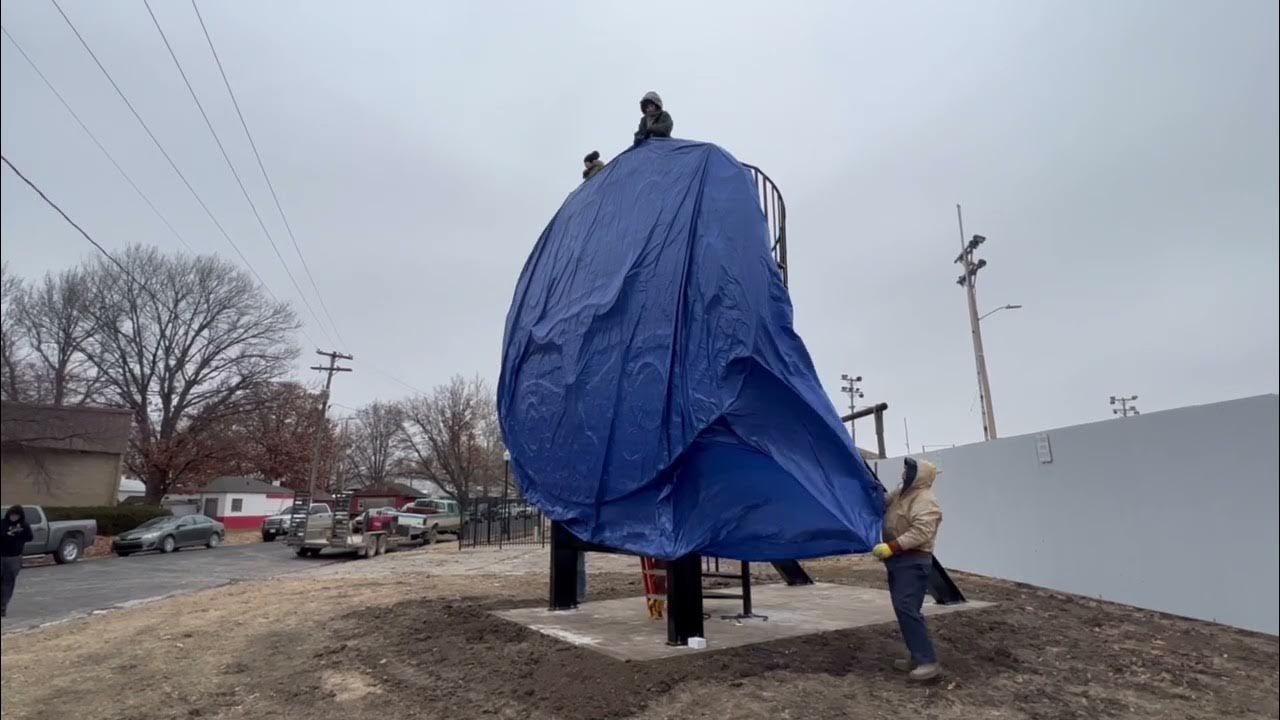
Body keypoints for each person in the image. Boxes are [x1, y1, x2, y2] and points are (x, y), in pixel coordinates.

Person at [872, 457, 943, 681]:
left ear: (918, 475)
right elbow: (884, 502)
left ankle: (928, 662)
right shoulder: (904, 492)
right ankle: (917, 655)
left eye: (908, 470)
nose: (903, 473)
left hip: (913, 561)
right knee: (903, 608)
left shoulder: (925, 500)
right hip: (898, 561)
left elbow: (922, 532)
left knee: (907, 608)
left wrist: (892, 546)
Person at [2, 505, 34, 618]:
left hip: (14, 558)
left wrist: (20, 532)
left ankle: (2, 607)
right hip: (2, 555)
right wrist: (6, 534)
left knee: (7, 583)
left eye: (16, 515)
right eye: (12, 515)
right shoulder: (3, 524)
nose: (13, 517)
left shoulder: (24, 525)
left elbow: (30, 537)